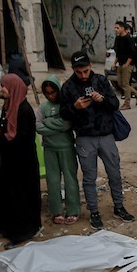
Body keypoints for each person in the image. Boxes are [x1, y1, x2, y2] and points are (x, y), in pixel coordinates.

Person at [60, 52, 136, 230]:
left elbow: (114, 104)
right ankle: (94, 212)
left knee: (114, 173)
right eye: (79, 72)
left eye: (86, 71)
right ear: (74, 70)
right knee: (89, 178)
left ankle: (119, 206)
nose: (84, 75)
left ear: (90, 67)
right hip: (85, 137)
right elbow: (63, 113)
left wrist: (101, 99)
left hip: (106, 135)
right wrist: (75, 107)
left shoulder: (101, 81)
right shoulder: (69, 86)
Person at [0, 73, 42, 245]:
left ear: (13, 88)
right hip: (9, 161)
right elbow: (6, 129)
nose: (1, 89)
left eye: (4, 86)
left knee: (22, 197)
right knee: (8, 194)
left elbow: (21, 139)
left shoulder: (24, 110)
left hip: (22, 163)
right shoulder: (8, 106)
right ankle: (7, 227)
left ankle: (23, 232)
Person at [37, 76, 81, 225]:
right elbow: (37, 126)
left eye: (53, 92)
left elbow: (66, 125)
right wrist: (53, 127)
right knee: (53, 180)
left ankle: (73, 210)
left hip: (66, 147)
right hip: (49, 149)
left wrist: (47, 122)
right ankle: (57, 211)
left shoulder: (66, 105)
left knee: (70, 179)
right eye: (48, 93)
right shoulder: (43, 107)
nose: (51, 95)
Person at [113, 21, 137, 109]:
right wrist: (114, 63)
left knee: (125, 84)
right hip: (120, 63)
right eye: (115, 28)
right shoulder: (118, 39)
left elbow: (132, 53)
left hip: (127, 64)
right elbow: (118, 53)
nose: (116, 30)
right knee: (120, 83)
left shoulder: (129, 39)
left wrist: (127, 64)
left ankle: (127, 103)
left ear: (122, 28)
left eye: (117, 28)